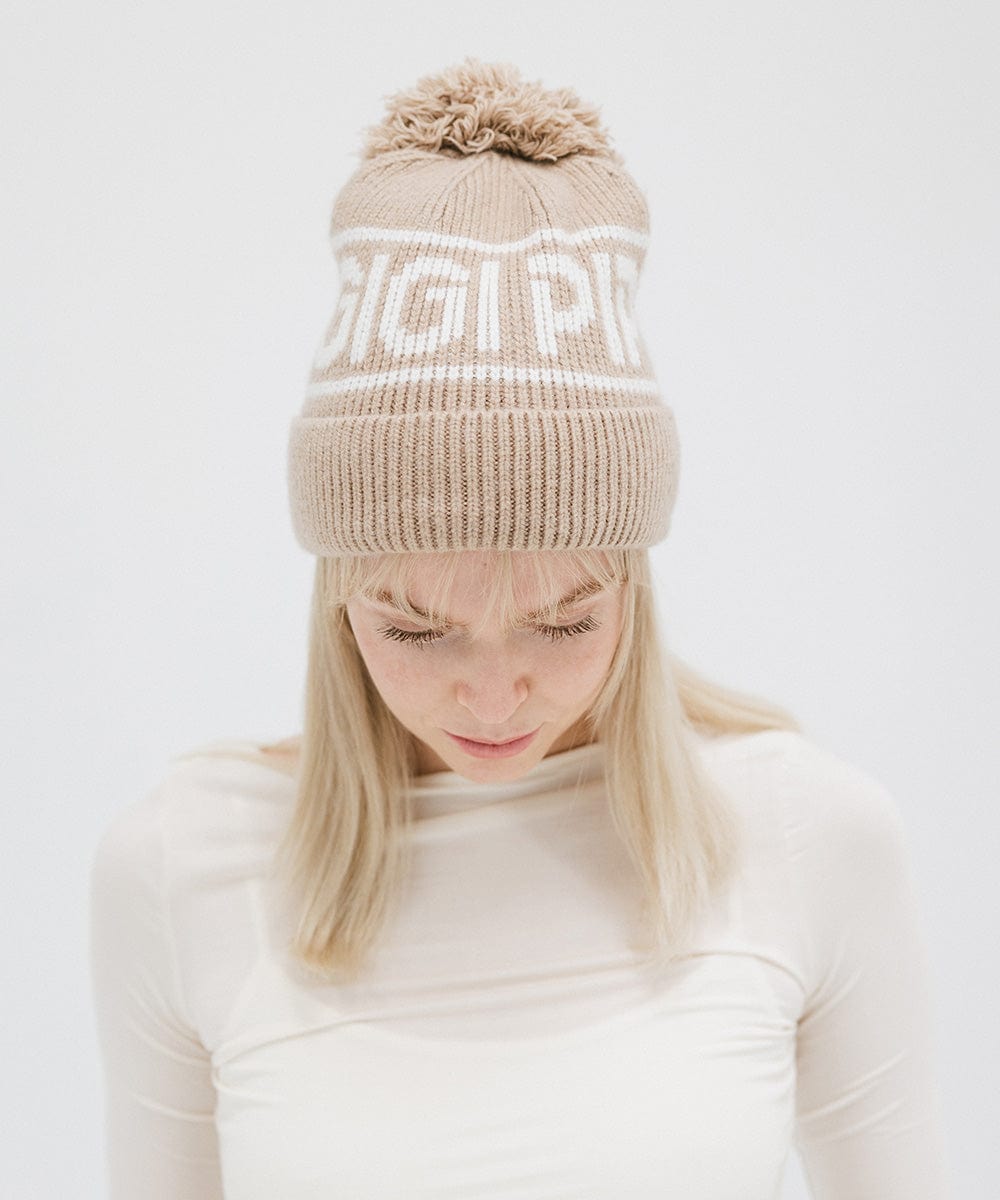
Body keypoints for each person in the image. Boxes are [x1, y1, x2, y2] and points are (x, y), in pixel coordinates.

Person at [88, 58, 952, 1199]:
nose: (494, 700)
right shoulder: (179, 865)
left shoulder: (804, 834)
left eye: (562, 624)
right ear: (337, 596)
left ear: (632, 590)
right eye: (417, 631)